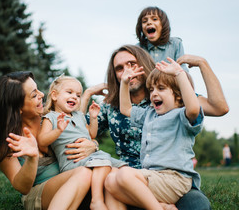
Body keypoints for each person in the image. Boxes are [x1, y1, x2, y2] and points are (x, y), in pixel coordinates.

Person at [81, 45, 229, 209]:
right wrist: (89, 94)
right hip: (135, 178)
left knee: (196, 204)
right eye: (120, 68)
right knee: (110, 181)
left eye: (131, 64)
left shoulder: (177, 103)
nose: (126, 71)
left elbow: (205, 108)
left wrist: (186, 71)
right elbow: (125, 109)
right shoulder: (148, 111)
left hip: (171, 178)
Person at [0, 71, 94, 210]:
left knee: (105, 178)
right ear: (18, 107)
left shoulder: (50, 118)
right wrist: (32, 158)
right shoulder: (4, 141)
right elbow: (22, 187)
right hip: (40, 193)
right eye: (34, 94)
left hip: (76, 183)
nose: (42, 94)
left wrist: (93, 145)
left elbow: (81, 130)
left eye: (38, 89)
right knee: (84, 173)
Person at [105, 57, 204, 209]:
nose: (154, 94)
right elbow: (126, 109)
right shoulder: (149, 114)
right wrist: (124, 83)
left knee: (124, 174)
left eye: (161, 88)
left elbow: (193, 109)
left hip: (174, 179)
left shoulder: (181, 115)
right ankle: (162, 206)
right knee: (110, 181)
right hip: (153, 176)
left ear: (178, 95)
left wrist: (180, 74)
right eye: (151, 89)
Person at [37, 75, 126, 210]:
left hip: (92, 157)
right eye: (69, 92)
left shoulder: (78, 116)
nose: (75, 97)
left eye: (78, 95)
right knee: (103, 162)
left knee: (121, 169)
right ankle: (97, 200)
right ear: (54, 96)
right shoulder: (51, 117)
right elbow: (42, 141)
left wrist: (94, 118)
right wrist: (58, 130)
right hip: (72, 163)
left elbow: (91, 134)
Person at [136, 6, 188, 71]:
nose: (149, 22)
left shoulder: (176, 44)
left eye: (154, 19)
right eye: (144, 21)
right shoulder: (138, 48)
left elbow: (183, 70)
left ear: (163, 24)